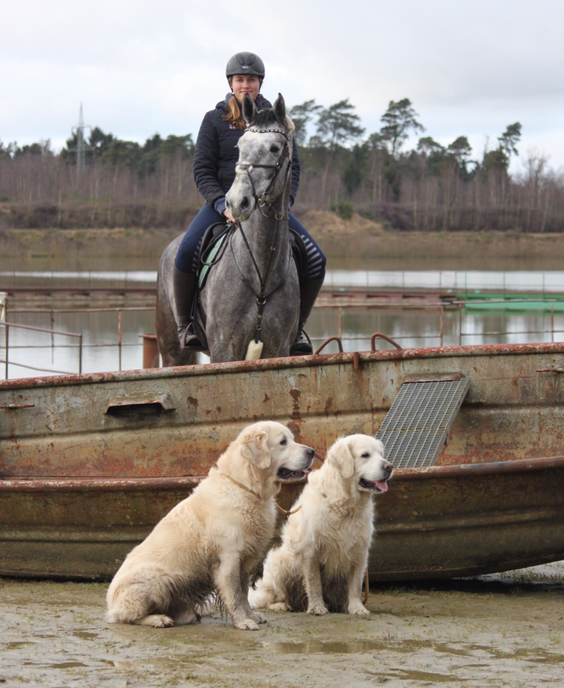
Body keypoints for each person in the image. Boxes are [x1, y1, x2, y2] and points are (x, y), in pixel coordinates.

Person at [173, 51, 326, 355]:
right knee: (185, 251)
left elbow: (292, 167)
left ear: (260, 83)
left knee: (317, 259)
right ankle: (185, 324)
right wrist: (221, 205)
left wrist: (285, 202)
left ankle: (297, 330)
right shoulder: (214, 120)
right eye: (240, 80)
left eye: (251, 80)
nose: (246, 85)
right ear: (231, 83)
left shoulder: (279, 120)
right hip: (224, 204)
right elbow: (202, 170)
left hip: (271, 208)